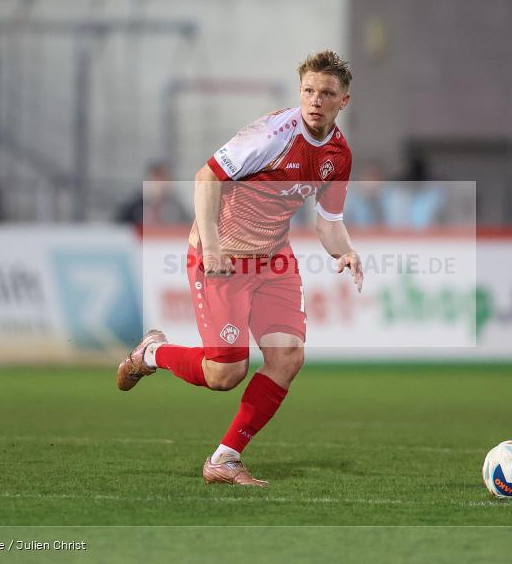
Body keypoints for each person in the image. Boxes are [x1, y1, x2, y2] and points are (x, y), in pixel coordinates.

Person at [116, 49, 363, 486]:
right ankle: (151, 353)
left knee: (288, 356)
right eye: (308, 90)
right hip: (223, 258)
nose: (315, 100)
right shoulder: (272, 135)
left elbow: (328, 223)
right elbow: (206, 178)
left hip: (274, 259)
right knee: (225, 374)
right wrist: (211, 247)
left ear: (343, 100)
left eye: (327, 93)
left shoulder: (339, 155)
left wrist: (343, 250)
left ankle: (224, 459)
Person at [115, 161, 189, 226]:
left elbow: (187, 224)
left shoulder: (177, 207)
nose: (160, 184)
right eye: (157, 178)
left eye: (165, 179)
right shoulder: (134, 206)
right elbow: (118, 225)